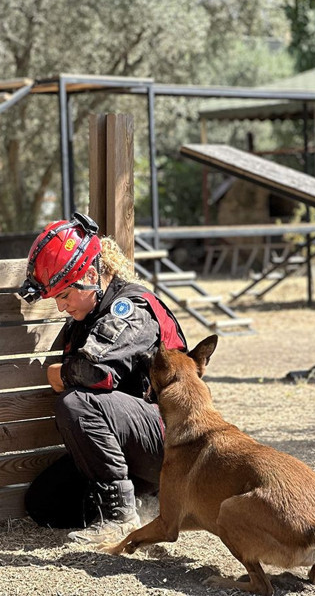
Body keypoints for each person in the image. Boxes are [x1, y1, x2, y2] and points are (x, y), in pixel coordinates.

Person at [17, 212, 188, 543]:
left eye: (65, 296)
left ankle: (121, 519)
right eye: (56, 299)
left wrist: (60, 373)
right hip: (132, 440)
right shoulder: (88, 312)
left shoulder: (131, 308)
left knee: (76, 403)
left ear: (92, 274)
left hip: (172, 442)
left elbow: (95, 372)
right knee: (44, 504)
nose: (61, 308)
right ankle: (145, 501)